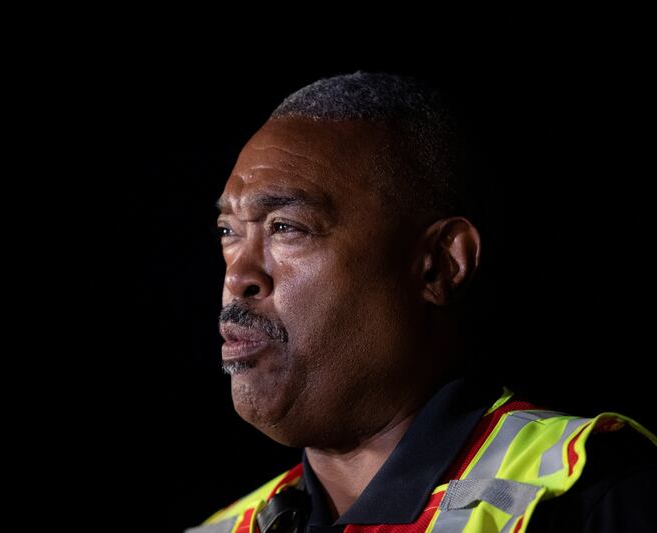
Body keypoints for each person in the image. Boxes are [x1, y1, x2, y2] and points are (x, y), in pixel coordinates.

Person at [186, 73, 656, 533]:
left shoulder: (592, 495)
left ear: (438, 264)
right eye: (229, 232)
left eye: (286, 227)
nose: (237, 277)